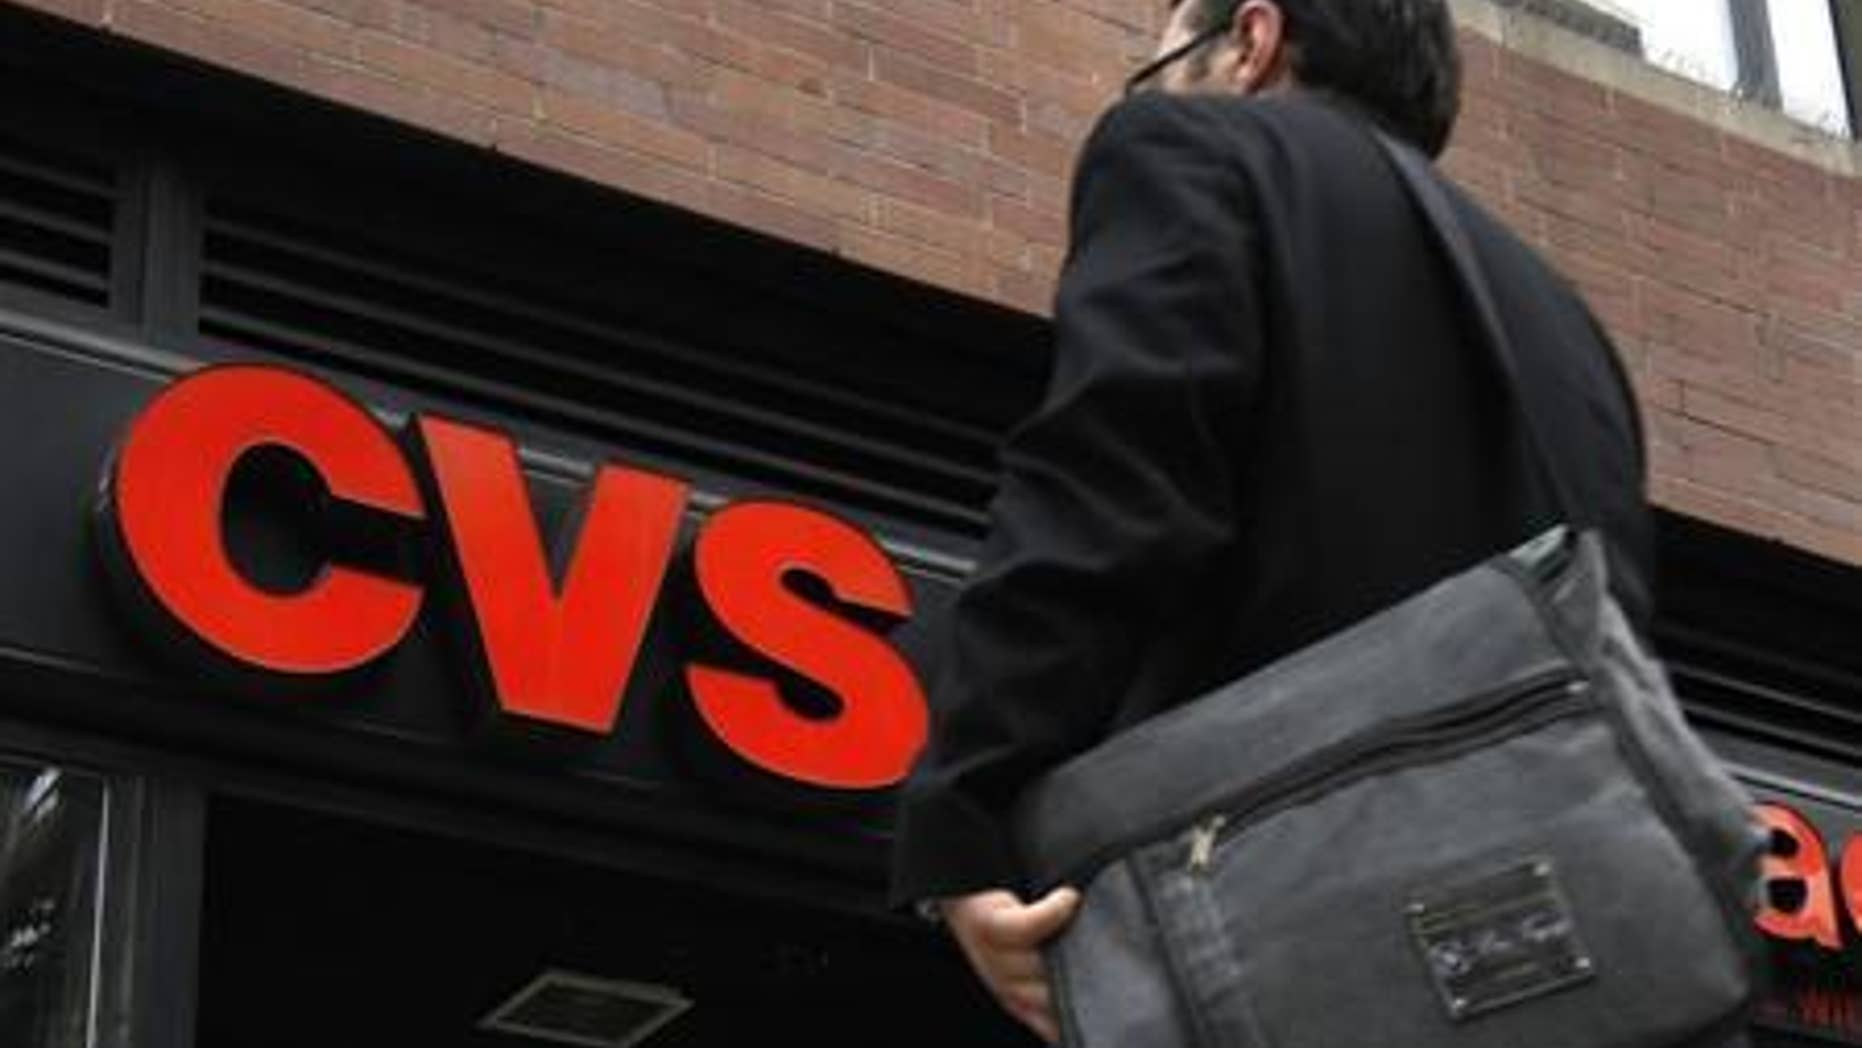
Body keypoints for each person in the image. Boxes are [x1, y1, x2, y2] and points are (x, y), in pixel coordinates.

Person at [890, 0, 1668, 1043]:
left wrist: (964, 819)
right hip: (1554, 952)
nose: (1144, 91)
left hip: (1278, 926)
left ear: (1250, 43)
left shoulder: (1189, 147)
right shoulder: (1564, 328)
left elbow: (1111, 482)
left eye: (1153, 58)